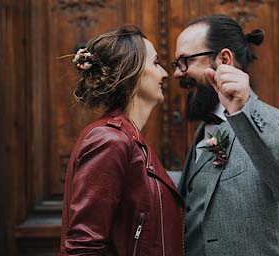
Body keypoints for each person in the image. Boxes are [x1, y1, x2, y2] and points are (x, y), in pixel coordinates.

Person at [174, 14, 279, 256]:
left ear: (223, 59)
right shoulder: (203, 130)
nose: (178, 74)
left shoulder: (273, 121)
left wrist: (246, 109)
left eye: (185, 62)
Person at [58, 25, 184, 256]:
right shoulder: (109, 140)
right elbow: (84, 247)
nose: (165, 73)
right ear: (132, 71)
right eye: (156, 63)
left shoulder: (130, 139)